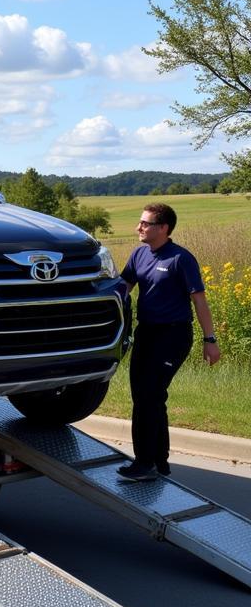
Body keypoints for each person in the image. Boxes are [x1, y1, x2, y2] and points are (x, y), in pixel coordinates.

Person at [117, 202, 220, 482]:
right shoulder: (139, 254)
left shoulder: (180, 258)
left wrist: (210, 340)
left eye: (145, 223)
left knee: (149, 395)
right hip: (146, 334)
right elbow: (122, 290)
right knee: (145, 396)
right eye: (140, 222)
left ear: (163, 228)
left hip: (173, 336)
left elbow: (199, 301)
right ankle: (160, 462)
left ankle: (144, 463)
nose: (139, 227)